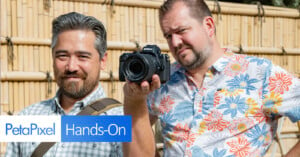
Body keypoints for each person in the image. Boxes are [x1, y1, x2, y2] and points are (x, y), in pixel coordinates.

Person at [122, 0, 300, 156]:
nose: (175, 42)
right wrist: (132, 100)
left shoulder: (260, 74)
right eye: (168, 35)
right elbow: (125, 133)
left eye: (181, 30)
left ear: (208, 26)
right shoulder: (159, 81)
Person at [5, 12, 123, 157]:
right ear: (52, 57)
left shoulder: (121, 122)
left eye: (83, 56)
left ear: (103, 61)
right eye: (62, 56)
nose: (71, 66)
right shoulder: (26, 119)